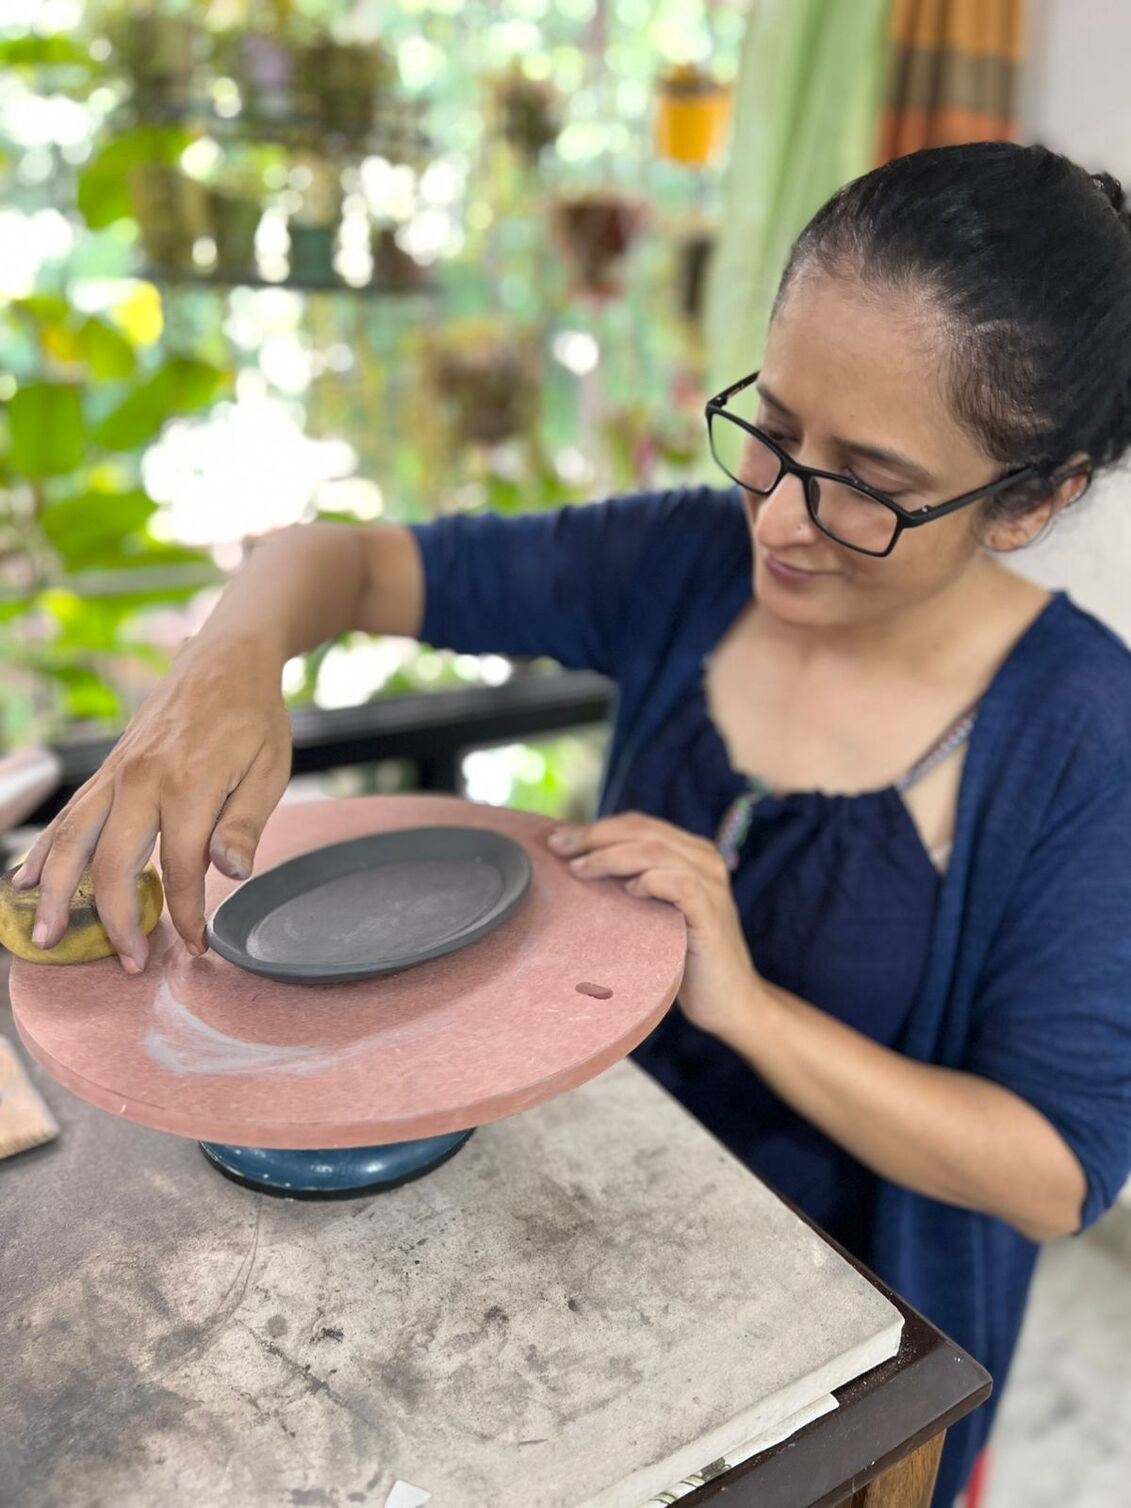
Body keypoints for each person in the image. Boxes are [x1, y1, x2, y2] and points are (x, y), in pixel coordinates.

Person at [15, 142, 1131, 1504]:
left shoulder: (1084, 734)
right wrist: (227, 672)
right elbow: (337, 564)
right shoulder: (680, 560)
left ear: (1033, 499)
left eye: (866, 484)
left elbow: (1053, 1174)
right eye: (773, 431)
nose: (780, 516)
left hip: (844, 1371)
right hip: (578, 1238)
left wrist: (748, 1007)